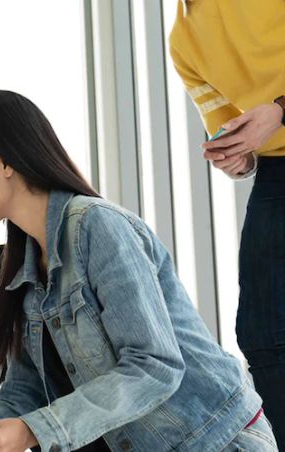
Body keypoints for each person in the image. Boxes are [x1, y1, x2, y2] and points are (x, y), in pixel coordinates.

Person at [0, 90, 274, 452]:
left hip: (214, 440)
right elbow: (24, 391)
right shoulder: (25, 266)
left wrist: (33, 431)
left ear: (3, 162)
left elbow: (154, 365)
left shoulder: (96, 226)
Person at [169, 0, 285, 442]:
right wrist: (237, 157)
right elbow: (234, 131)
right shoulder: (183, 42)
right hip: (277, 169)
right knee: (261, 333)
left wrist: (279, 110)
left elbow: (270, 117)